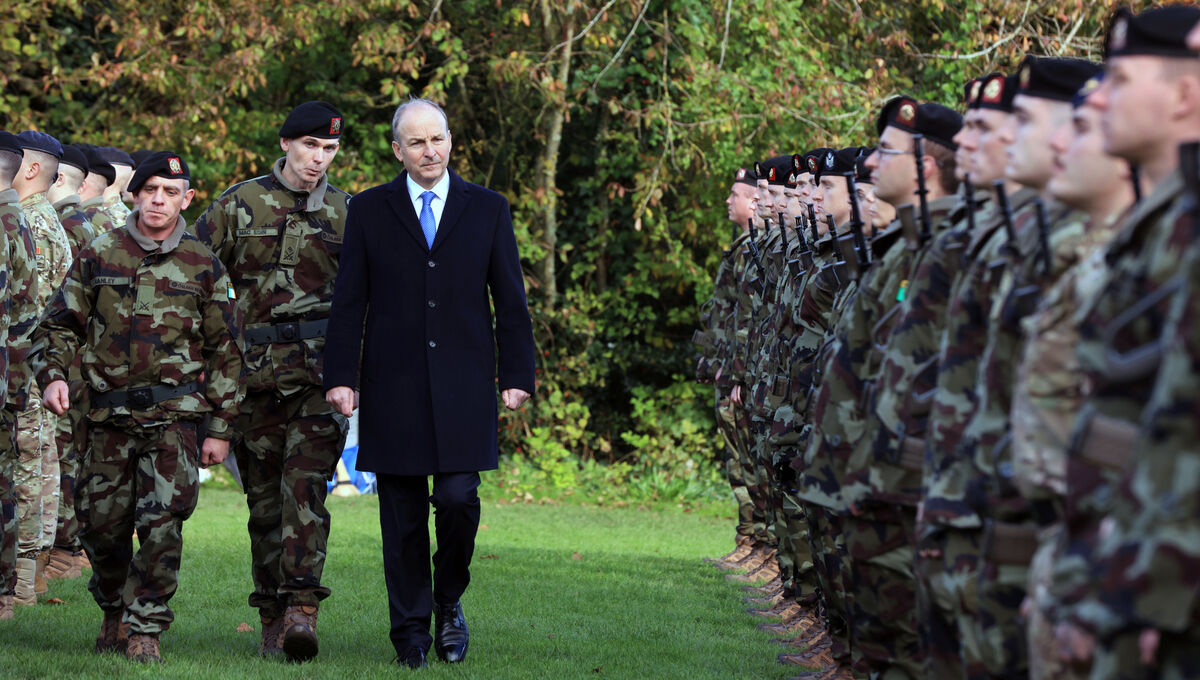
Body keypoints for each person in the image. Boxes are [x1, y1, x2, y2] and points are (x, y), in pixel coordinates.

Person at [323, 97, 536, 669]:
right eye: (415, 142)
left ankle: (449, 602)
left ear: (450, 142)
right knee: (402, 514)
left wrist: (518, 374)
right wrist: (341, 377)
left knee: (459, 499)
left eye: (436, 139)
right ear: (398, 150)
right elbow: (349, 303)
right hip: (392, 385)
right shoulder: (369, 210)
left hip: (465, 383)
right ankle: (412, 630)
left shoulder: (488, 208)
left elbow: (510, 299)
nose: (429, 151)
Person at [32, 151, 243, 663]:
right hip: (106, 417)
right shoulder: (99, 254)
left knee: (162, 522)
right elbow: (59, 326)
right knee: (101, 529)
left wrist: (220, 428)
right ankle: (113, 608)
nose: (158, 200)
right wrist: (54, 375)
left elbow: (227, 351)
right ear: (133, 193)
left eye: (171, 193)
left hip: (175, 419)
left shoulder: (203, 265)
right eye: (150, 189)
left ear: (186, 199)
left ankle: (145, 624)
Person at [192, 100, 351, 662]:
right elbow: (191, 273)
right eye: (311, 146)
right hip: (251, 380)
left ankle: (303, 609)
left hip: (318, 379)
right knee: (263, 505)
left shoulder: (347, 212)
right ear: (286, 144)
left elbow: (370, 300)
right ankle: (271, 616)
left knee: (305, 492)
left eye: (330, 149)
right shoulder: (240, 203)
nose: (319, 159)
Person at [12, 130, 72, 605]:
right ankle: (32, 573)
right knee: (39, 463)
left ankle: (21, 580)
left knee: (25, 470)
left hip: (23, 364)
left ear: (30, 169)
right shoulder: (45, 219)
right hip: (41, 364)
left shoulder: (27, 223)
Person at [0, 131, 39, 619]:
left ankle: (6, 593)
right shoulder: (15, 218)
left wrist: (12, 388)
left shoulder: (9, 221)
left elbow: (27, 311)